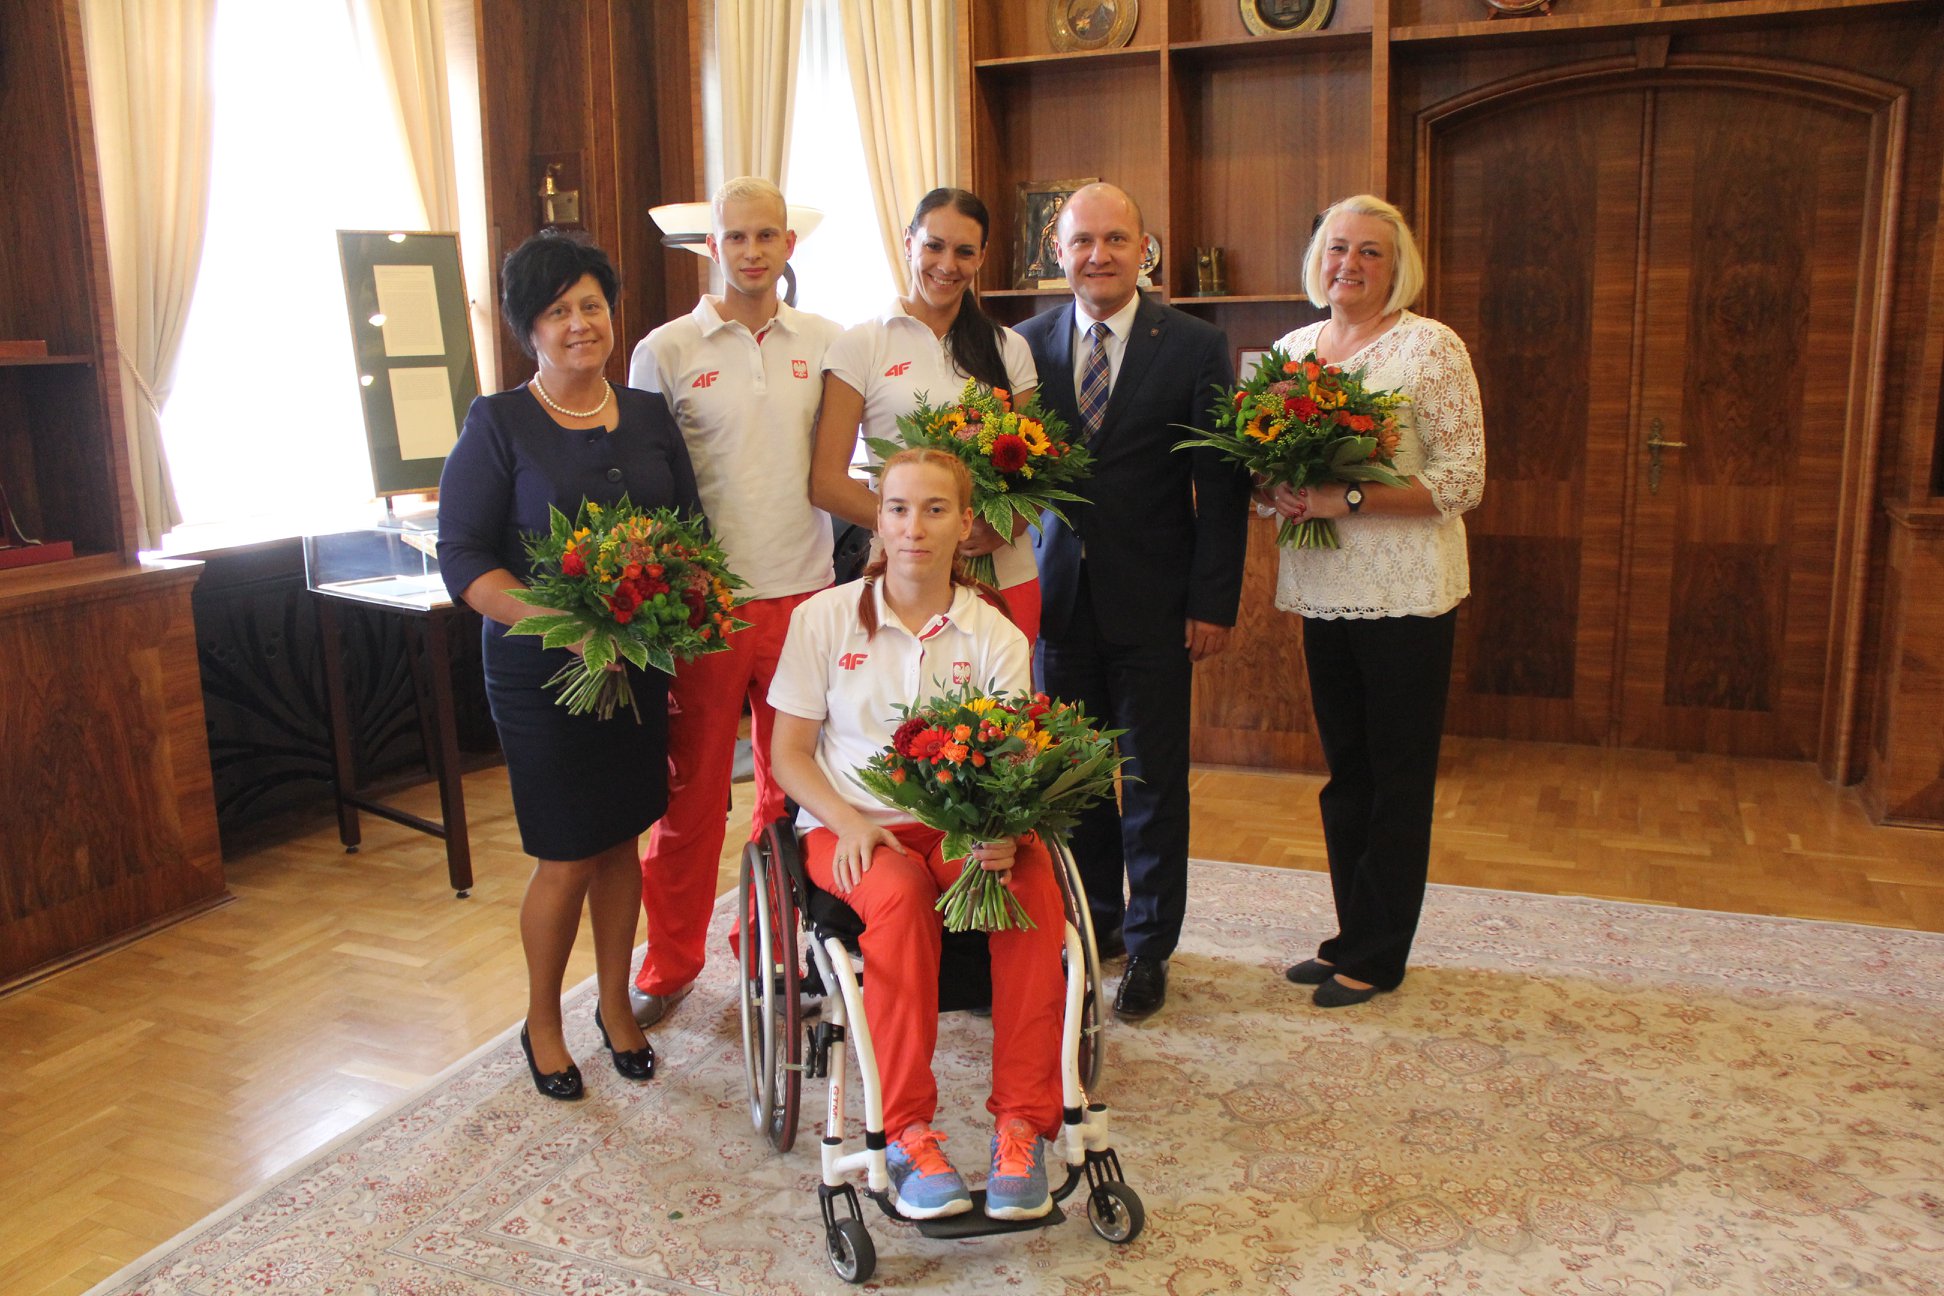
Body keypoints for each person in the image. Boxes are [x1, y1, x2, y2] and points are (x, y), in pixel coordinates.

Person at [768, 448, 1067, 1223]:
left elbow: (1011, 755)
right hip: (851, 823)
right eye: (899, 508)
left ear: (967, 524)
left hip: (962, 821)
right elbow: (788, 754)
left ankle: (1021, 1126)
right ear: (878, 516)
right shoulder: (823, 619)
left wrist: (1001, 831)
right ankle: (904, 1132)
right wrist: (850, 820)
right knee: (896, 897)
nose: (914, 528)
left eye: (936, 510)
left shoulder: (992, 633)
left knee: (1032, 887)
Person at [437, 232, 701, 1098]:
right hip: (543, 673)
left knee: (623, 837)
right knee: (567, 854)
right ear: (530, 330)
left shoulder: (650, 413)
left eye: (593, 305)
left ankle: (614, 1005)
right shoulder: (497, 422)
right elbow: (466, 558)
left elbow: (689, 533)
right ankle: (543, 1021)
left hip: (638, 664)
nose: (581, 324)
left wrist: (667, 607)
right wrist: (564, 622)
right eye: (559, 312)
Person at [1014, 182, 1251, 1021]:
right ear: (1058, 250)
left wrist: (1214, 603)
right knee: (1074, 782)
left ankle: (1151, 948)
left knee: (1153, 784)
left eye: (1116, 240)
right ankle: (1095, 925)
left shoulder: (1193, 345)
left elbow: (1218, 488)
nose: (1098, 256)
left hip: (1158, 601)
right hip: (1057, 604)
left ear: (1143, 250)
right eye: (1082, 241)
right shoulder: (1025, 345)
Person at [624, 177, 843, 1029]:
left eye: (767, 236)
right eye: (735, 237)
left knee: (791, 797)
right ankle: (670, 960)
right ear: (710, 246)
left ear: (789, 244)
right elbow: (644, 486)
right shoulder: (665, 350)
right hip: (708, 610)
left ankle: (774, 950)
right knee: (692, 799)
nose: (751, 251)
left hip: (809, 600)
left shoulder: (827, 341)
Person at [1263, 194, 1485, 1008]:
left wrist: (1345, 500)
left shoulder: (1430, 348)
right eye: (1337, 248)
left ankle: (1381, 952)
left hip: (1408, 594)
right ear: (1317, 257)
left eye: (1370, 253)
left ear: (1399, 268)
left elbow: (1463, 479)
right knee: (1345, 774)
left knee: (1397, 776)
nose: (1349, 265)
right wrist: (1279, 491)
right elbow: (1266, 472)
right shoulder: (1291, 350)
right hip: (1324, 592)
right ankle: (1349, 934)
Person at [811, 187, 1046, 641]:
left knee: (1002, 711)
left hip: (1002, 574)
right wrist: (916, 526)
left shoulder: (1008, 348)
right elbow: (826, 482)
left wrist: (1003, 526)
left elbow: (1039, 470)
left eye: (964, 252)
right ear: (908, 242)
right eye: (933, 246)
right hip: (903, 573)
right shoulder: (862, 344)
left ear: (981, 257)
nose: (947, 265)